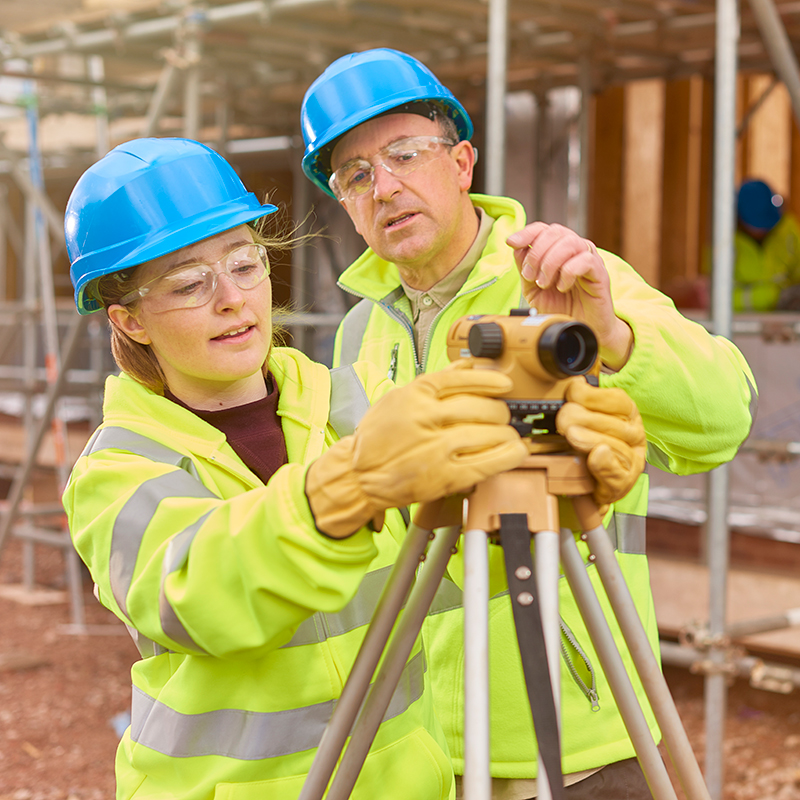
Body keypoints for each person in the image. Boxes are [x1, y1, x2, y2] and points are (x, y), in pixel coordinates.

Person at [300, 48, 758, 799]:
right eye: (354, 174)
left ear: (462, 162)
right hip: (412, 745)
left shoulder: (565, 280)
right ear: (344, 204)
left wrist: (612, 335)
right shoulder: (357, 335)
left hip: (574, 741)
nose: (384, 187)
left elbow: (722, 418)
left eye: (405, 153)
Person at [61, 136, 541, 800]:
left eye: (245, 264)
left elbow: (443, 572)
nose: (232, 299)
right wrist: (341, 490)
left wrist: (540, 488)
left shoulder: (345, 404)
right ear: (129, 320)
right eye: (189, 283)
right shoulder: (118, 466)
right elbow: (203, 596)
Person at [734, 178, 800, 312]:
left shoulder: (787, 230)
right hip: (739, 321)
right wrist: (771, 297)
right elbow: (714, 295)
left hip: (784, 318)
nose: (764, 230)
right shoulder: (724, 240)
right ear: (740, 217)